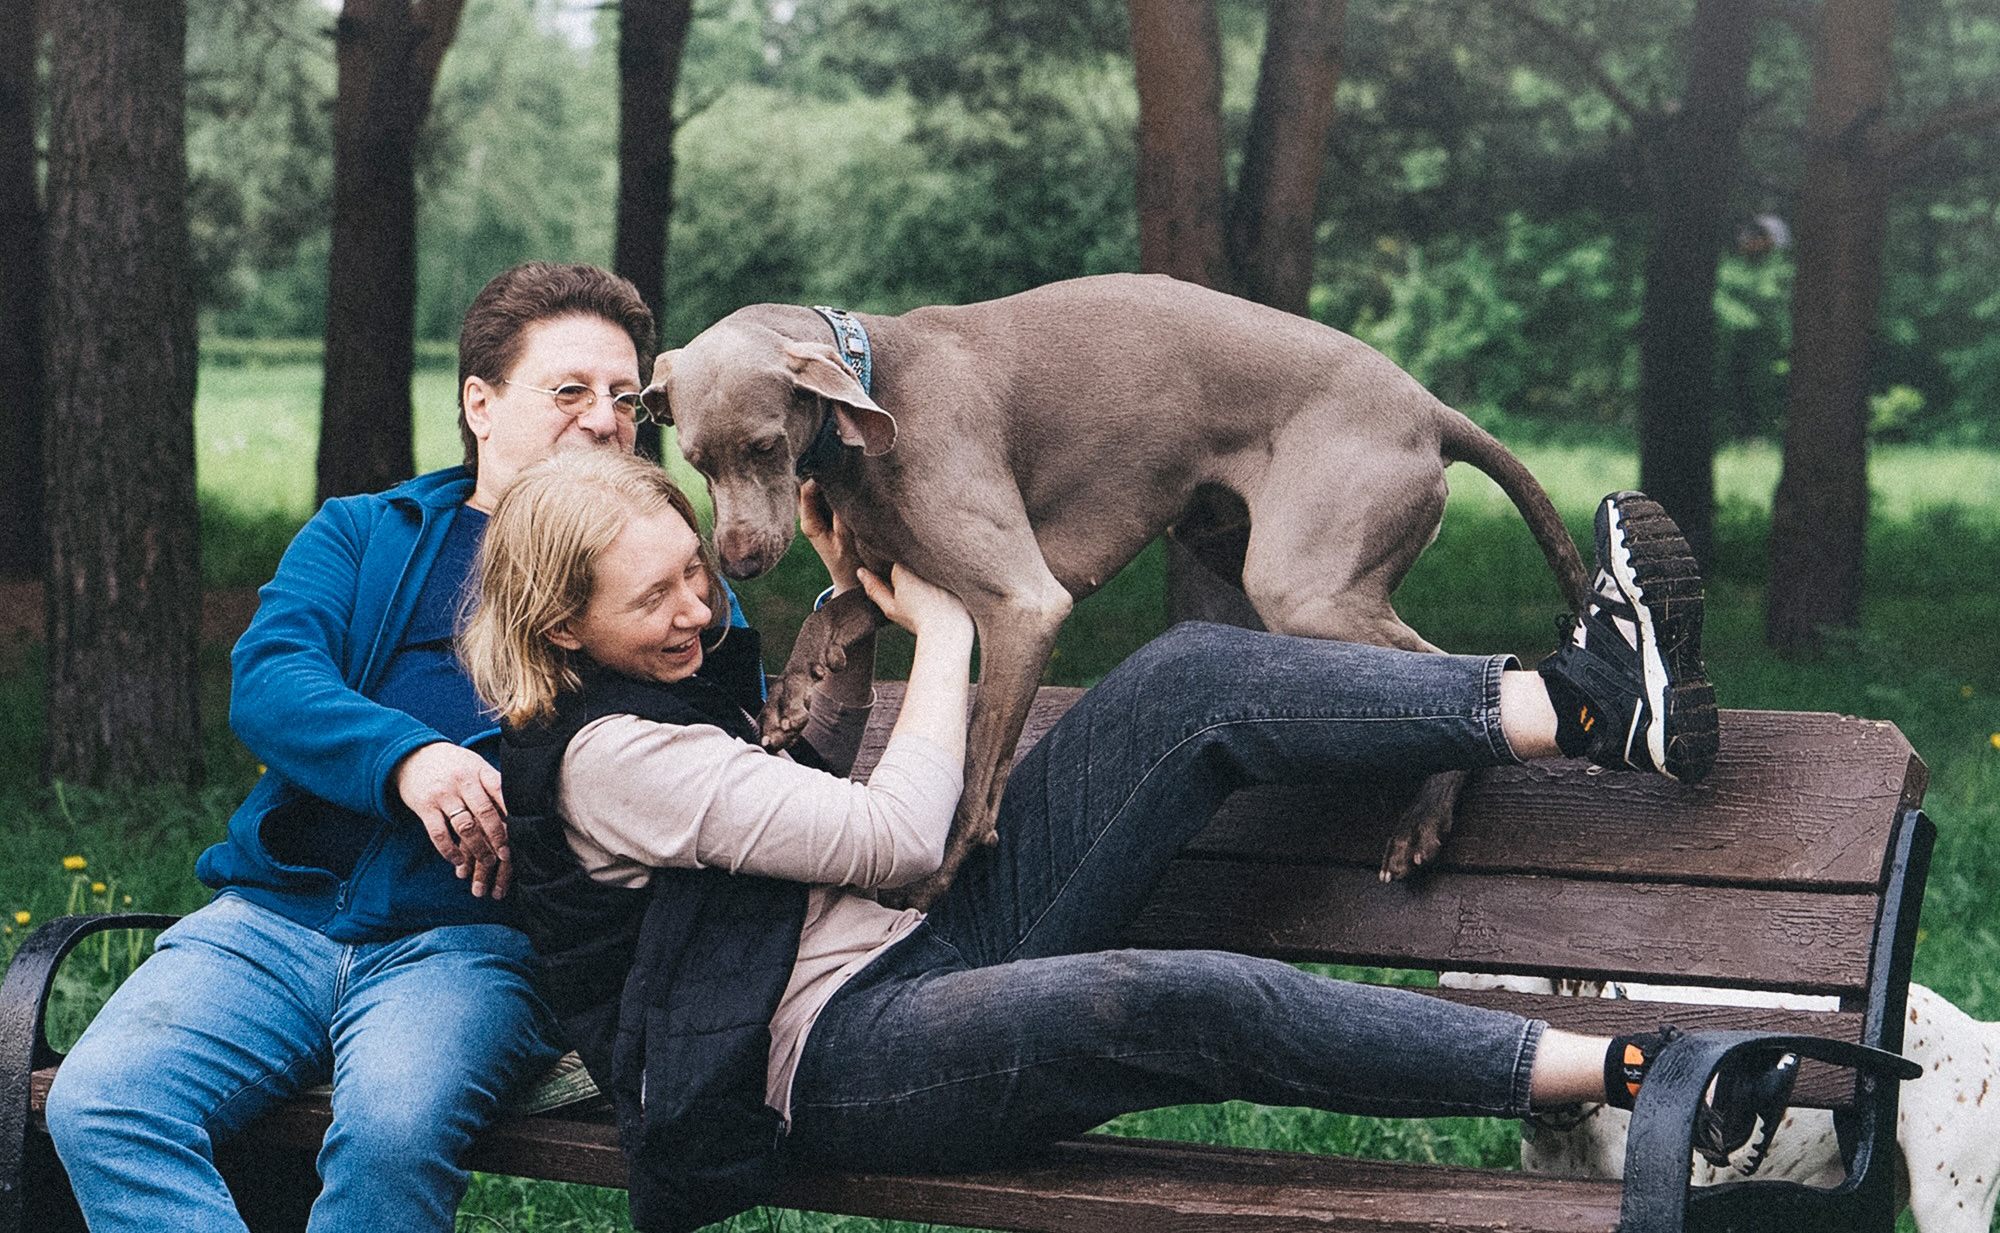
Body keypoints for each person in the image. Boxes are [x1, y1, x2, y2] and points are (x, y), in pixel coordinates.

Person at [462, 447, 1800, 1233]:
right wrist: (949, 630)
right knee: (1171, 997)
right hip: (828, 1058)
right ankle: (1638, 1072)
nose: (698, 609)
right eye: (654, 595)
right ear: (559, 627)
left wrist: (846, 595)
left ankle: (1591, 704)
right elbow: (893, 832)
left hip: (917, 947)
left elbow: (794, 790)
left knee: (1185, 680)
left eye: (694, 569)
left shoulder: (649, 681)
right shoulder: (608, 756)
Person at [43, 263, 720, 1231]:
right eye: (569, 390)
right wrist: (408, 757)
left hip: (474, 944)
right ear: (479, 404)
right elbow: (270, 673)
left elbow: (711, 737)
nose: (605, 419)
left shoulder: (657, 572)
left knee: (391, 1136)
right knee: (102, 1100)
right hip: (276, 920)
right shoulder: (366, 534)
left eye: (624, 397)